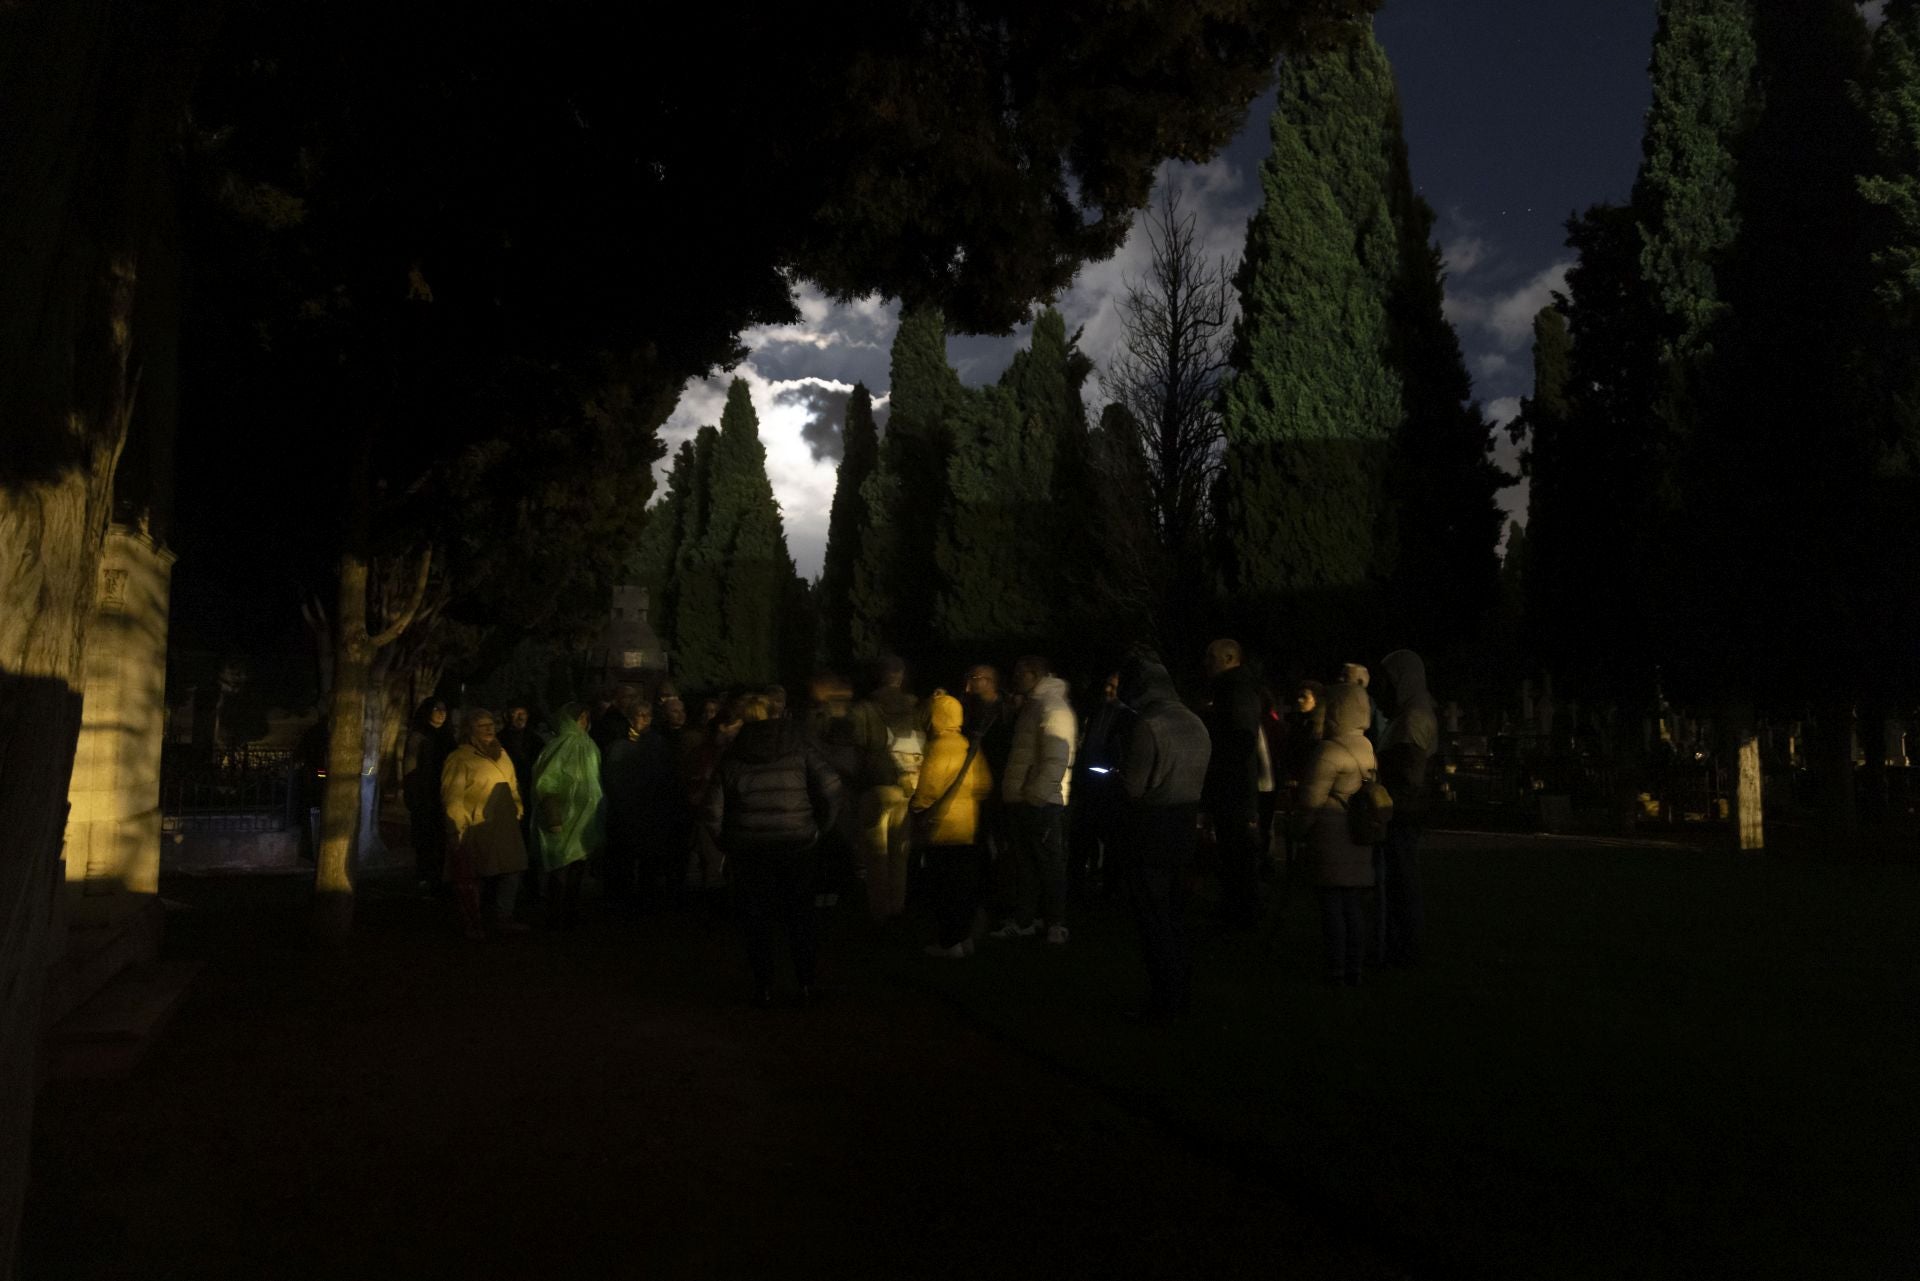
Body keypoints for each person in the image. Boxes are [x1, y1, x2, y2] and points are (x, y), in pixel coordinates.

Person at [705, 695, 843, 1006]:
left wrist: (727, 843)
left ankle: (764, 986)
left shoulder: (733, 756)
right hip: (797, 844)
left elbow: (712, 811)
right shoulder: (799, 748)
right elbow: (832, 786)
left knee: (756, 919)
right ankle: (805, 982)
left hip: (750, 850)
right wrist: (819, 827)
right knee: (801, 915)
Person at [1115, 656, 1211, 1022]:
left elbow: (1134, 787)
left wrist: (1118, 775)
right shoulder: (1195, 722)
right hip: (1183, 826)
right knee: (1173, 915)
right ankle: (1179, 990)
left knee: (1153, 919)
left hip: (1151, 828)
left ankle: (1163, 999)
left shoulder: (1149, 725)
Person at [990, 656, 1077, 944]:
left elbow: (1056, 757)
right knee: (1026, 865)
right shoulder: (1035, 706)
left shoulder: (1052, 707)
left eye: (1019, 673)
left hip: (1041, 802)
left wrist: (1036, 795)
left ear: (1034, 674)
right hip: (1026, 798)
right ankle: (1026, 919)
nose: (1014, 678)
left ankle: (1056, 923)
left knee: (1048, 864)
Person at [1296, 683, 1377, 985]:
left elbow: (1310, 800)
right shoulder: (1367, 747)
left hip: (1331, 836)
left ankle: (1336, 966)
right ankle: (1355, 966)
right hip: (1359, 835)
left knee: (1332, 907)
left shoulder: (1329, 750)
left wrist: (1298, 829)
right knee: (1353, 907)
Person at [911, 689, 995, 958]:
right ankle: (964, 938)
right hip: (968, 828)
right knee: (964, 887)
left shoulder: (938, 747)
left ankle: (949, 943)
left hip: (942, 830)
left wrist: (917, 807)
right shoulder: (967, 746)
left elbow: (928, 789)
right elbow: (985, 785)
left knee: (944, 889)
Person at [441, 709, 531, 940]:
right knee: (476, 874)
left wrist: (518, 808)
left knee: (511, 870)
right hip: (477, 826)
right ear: (470, 730)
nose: (489, 729)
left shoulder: (502, 754)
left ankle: (503, 917)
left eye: (491, 724)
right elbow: (453, 796)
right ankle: (473, 921)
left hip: (505, 826)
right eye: (482, 726)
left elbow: (512, 785)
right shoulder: (460, 758)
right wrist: (455, 827)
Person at [1374, 649, 1438, 967]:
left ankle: (1405, 947)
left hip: (1402, 814)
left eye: (1387, 681)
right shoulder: (1407, 713)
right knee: (1397, 880)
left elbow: (1411, 775)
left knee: (1402, 880)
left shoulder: (1413, 718)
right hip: (1399, 811)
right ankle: (1397, 943)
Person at [850, 656, 920, 922]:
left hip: (875, 785)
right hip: (905, 785)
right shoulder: (914, 707)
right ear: (900, 676)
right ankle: (897, 907)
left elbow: (856, 743)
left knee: (876, 854)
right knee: (900, 853)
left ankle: (879, 910)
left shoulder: (864, 709)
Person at [1203, 638, 1264, 928]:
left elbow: (1240, 738)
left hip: (1233, 786)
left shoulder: (1234, 690)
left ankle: (1240, 910)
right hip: (1234, 784)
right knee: (1233, 850)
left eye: (1212, 658)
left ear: (1229, 659)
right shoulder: (1234, 689)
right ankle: (1238, 907)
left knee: (1236, 850)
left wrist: (1223, 768)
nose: (1207, 664)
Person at [531, 704, 604, 929]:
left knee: (576, 868)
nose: (584, 721)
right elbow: (547, 782)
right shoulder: (561, 746)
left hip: (583, 820)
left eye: (585, 716)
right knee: (561, 869)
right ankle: (556, 914)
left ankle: (570, 911)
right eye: (580, 717)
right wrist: (554, 816)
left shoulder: (589, 745)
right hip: (564, 817)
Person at [601, 695, 675, 907]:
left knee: (648, 861)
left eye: (648, 716)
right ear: (630, 718)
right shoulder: (618, 745)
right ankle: (621, 900)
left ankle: (646, 900)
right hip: (625, 811)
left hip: (649, 810)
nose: (645, 720)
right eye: (640, 716)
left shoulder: (657, 744)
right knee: (624, 860)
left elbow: (665, 776)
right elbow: (612, 778)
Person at [1068, 671, 1132, 903]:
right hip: (1090, 783)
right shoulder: (1096, 712)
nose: (1108, 690)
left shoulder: (1128, 717)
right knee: (1081, 838)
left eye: (1113, 686)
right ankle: (1077, 888)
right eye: (1107, 685)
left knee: (1111, 841)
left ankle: (1109, 890)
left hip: (1110, 787)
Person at [402, 698, 455, 889]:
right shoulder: (418, 736)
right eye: (436, 709)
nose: (441, 713)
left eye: (444, 709)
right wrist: (412, 795)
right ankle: (424, 877)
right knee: (425, 838)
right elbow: (410, 767)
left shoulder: (448, 737)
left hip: (444, 793)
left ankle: (440, 876)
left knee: (442, 838)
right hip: (424, 795)